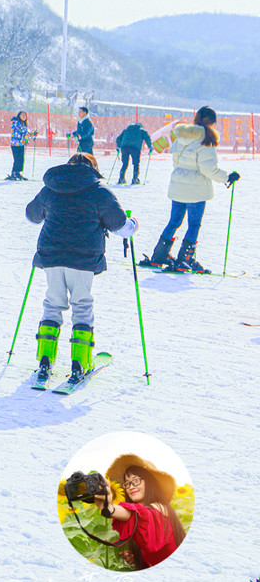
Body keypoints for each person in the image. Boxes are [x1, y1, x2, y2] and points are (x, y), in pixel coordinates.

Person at [24, 153, 137, 383]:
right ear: (93, 168)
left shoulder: (51, 188)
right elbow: (120, 226)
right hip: (83, 257)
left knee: (53, 302)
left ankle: (45, 360)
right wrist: (133, 224)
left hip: (51, 254)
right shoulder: (99, 191)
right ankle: (80, 362)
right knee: (82, 303)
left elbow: (32, 216)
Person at [141, 106, 239, 273]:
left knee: (174, 222)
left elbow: (176, 161)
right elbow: (208, 169)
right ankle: (185, 260)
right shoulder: (206, 139)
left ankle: (159, 255)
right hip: (196, 189)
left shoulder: (182, 135)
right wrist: (227, 177)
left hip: (178, 185)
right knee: (193, 225)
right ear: (212, 122)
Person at [92, 454, 186, 570]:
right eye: (127, 483)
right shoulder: (144, 522)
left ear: (150, 482)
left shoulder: (159, 507)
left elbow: (136, 515)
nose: (131, 487)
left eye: (136, 480)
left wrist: (109, 508)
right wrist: (138, 556)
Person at [115, 121, 151, 185]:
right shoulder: (141, 130)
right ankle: (135, 179)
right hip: (135, 148)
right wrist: (150, 147)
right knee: (136, 164)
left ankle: (121, 178)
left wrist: (118, 146)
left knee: (125, 163)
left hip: (124, 147)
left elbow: (118, 138)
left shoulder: (126, 130)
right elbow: (147, 138)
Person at [7, 111, 36, 181]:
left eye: (25, 115)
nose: (23, 116)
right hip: (15, 143)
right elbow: (16, 132)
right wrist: (24, 136)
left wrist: (32, 135)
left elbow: (25, 133)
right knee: (17, 158)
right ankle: (14, 173)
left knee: (21, 159)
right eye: (22, 115)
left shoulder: (24, 124)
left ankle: (18, 172)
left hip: (21, 143)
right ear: (19, 115)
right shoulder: (16, 122)